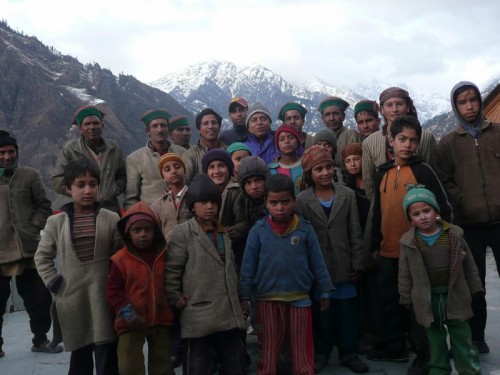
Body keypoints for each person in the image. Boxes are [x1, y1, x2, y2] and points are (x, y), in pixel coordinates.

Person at [368, 116, 451, 369]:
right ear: (390, 140)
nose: (407, 145)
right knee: (389, 301)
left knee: (419, 304)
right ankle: (395, 347)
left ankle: (425, 354)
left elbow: (443, 209)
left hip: (417, 251)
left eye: (413, 140)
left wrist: (440, 243)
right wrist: (374, 246)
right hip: (387, 252)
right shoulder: (382, 172)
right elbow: (378, 213)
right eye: (402, 139)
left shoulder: (423, 171)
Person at [239, 174, 334, 375]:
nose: (280, 208)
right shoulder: (258, 231)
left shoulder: (305, 230)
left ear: (294, 201)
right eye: (274, 203)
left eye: (285, 202)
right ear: (266, 202)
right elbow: (248, 266)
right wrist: (245, 296)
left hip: (300, 297)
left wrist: (325, 290)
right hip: (267, 298)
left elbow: (318, 262)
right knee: (270, 345)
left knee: (301, 346)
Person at [35, 159, 121, 375]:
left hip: (103, 295)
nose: (88, 190)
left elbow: (121, 257)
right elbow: (42, 256)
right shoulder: (56, 223)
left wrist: (118, 287)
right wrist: (55, 283)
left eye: (93, 184)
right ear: (68, 189)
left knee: (106, 351)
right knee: (80, 353)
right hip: (73, 296)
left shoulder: (111, 219)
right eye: (80, 185)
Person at [436, 81, 500, 354]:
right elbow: (445, 179)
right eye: (463, 102)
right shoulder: (449, 144)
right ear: (456, 107)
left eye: (473, 99)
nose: (470, 105)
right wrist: (461, 202)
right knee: (476, 286)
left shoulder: (497, 133)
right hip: (469, 226)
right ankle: (476, 338)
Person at [296, 146, 368, 374]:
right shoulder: (302, 201)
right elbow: (302, 238)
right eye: (319, 169)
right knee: (322, 315)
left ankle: (349, 352)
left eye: (328, 167)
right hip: (319, 269)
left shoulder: (346, 194)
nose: (325, 172)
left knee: (347, 313)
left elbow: (355, 231)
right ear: (309, 173)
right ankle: (322, 352)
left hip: (345, 265)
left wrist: (357, 262)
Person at [165, 173, 247, 375]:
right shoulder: (182, 232)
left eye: (213, 202)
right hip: (197, 310)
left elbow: (232, 267)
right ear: (192, 206)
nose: (209, 206)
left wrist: (239, 297)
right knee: (197, 364)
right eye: (203, 202)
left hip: (226, 309)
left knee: (235, 362)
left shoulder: (223, 233)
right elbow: (172, 268)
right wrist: (175, 296)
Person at [399, 185, 483, 375]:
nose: (423, 216)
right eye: (416, 213)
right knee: (435, 341)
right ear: (410, 219)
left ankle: (469, 369)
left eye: (426, 211)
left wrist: (475, 287)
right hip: (428, 301)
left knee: (462, 337)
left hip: (454, 297)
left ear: (436, 210)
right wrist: (405, 296)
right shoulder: (409, 242)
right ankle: (439, 369)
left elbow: (469, 264)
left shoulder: (454, 235)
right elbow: (404, 273)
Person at [0, 130, 60, 358]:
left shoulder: (29, 175)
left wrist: (34, 226)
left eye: (10, 152)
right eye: (2, 152)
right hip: (0, 250)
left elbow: (44, 205)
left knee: (39, 299)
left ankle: (41, 340)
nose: (7, 156)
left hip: (29, 248)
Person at [106, 202, 175, 375]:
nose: (143, 234)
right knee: (129, 366)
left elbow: (174, 279)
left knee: (163, 365)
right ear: (128, 233)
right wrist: (127, 312)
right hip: (130, 321)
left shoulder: (164, 255)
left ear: (155, 231)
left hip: (161, 318)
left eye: (148, 229)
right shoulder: (119, 260)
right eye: (137, 230)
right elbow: (112, 290)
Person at [362, 87, 437, 201]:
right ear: (382, 110)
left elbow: (431, 176)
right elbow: (369, 182)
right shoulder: (370, 142)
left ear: (407, 107)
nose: (395, 109)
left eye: (399, 104)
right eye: (389, 105)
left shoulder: (425, 137)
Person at [51, 105, 126, 214]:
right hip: (80, 211)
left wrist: (113, 190)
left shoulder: (114, 149)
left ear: (102, 125)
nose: (92, 127)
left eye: (95, 123)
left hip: (110, 210)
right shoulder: (71, 150)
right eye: (87, 124)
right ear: (80, 128)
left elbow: (122, 175)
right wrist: (79, 193)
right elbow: (57, 181)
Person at [124, 109, 186, 209]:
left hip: (182, 212)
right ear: (147, 131)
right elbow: (131, 198)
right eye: (155, 126)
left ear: (169, 129)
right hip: (150, 217)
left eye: (163, 125)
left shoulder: (183, 153)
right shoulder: (134, 159)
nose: (159, 130)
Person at [150, 153, 192, 243]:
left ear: (185, 171)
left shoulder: (195, 197)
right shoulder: (157, 205)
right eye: (167, 169)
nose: (173, 171)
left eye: (177, 167)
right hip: (169, 250)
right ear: (163, 177)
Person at [182, 108, 227, 184]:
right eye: (206, 123)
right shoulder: (190, 155)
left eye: (214, 122)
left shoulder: (229, 151)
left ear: (219, 127)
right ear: (199, 130)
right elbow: (183, 180)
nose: (210, 126)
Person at [318, 96, 362, 168]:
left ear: (343, 116)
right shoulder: (319, 139)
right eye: (327, 114)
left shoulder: (351, 135)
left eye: (335, 113)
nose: (332, 118)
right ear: (322, 118)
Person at [268, 124, 304, 194]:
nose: (287, 141)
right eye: (282, 139)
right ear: (277, 144)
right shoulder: (271, 170)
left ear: (297, 142)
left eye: (291, 138)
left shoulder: (305, 166)